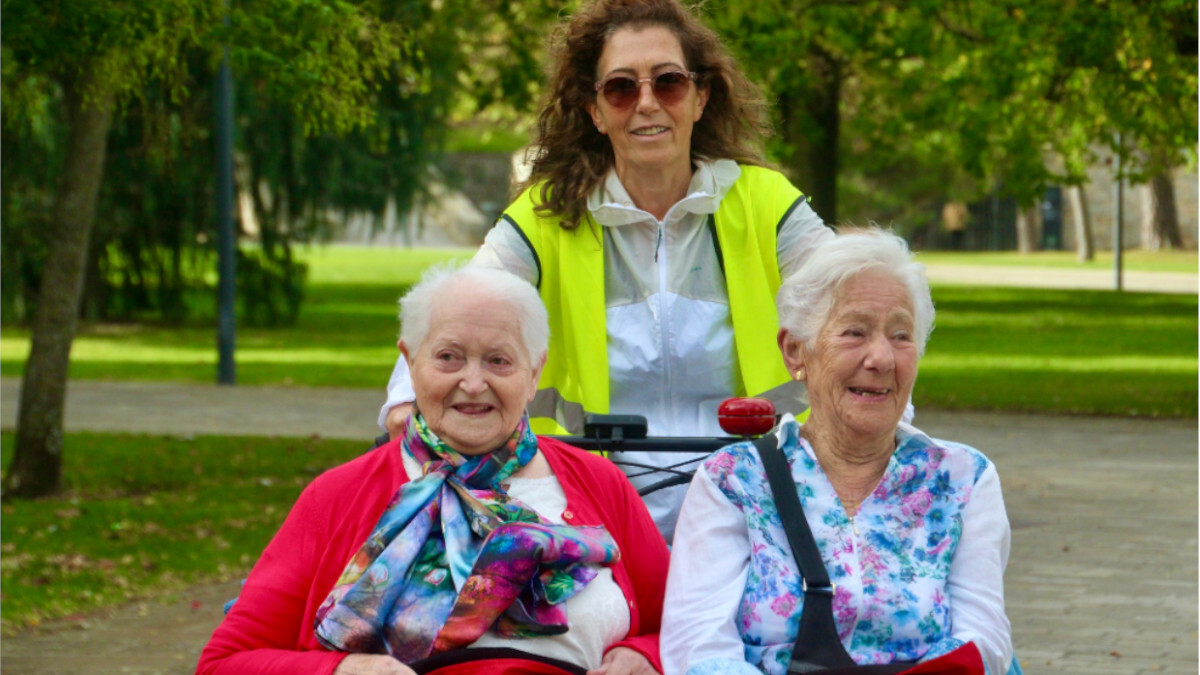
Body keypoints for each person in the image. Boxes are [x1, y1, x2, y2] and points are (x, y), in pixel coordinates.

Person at [379, 0, 834, 541]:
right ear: (594, 110)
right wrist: (407, 397)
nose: (646, 103)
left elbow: (854, 304)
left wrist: (881, 419)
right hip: (585, 511)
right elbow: (463, 308)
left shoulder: (767, 203)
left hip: (755, 507)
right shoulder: (545, 216)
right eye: (621, 87)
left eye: (668, 82)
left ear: (700, 97)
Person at [197, 265, 670, 675]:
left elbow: (686, 625)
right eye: (449, 357)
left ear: (534, 374)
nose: (472, 382)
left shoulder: (599, 483)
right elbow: (224, 663)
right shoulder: (338, 496)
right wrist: (342, 668)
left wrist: (645, 654)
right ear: (411, 361)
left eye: (499, 361)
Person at [660, 229, 1015, 675]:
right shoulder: (734, 480)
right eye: (855, 332)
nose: (882, 357)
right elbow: (699, 646)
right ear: (795, 352)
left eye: (901, 335)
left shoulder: (963, 478)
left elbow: (984, 638)